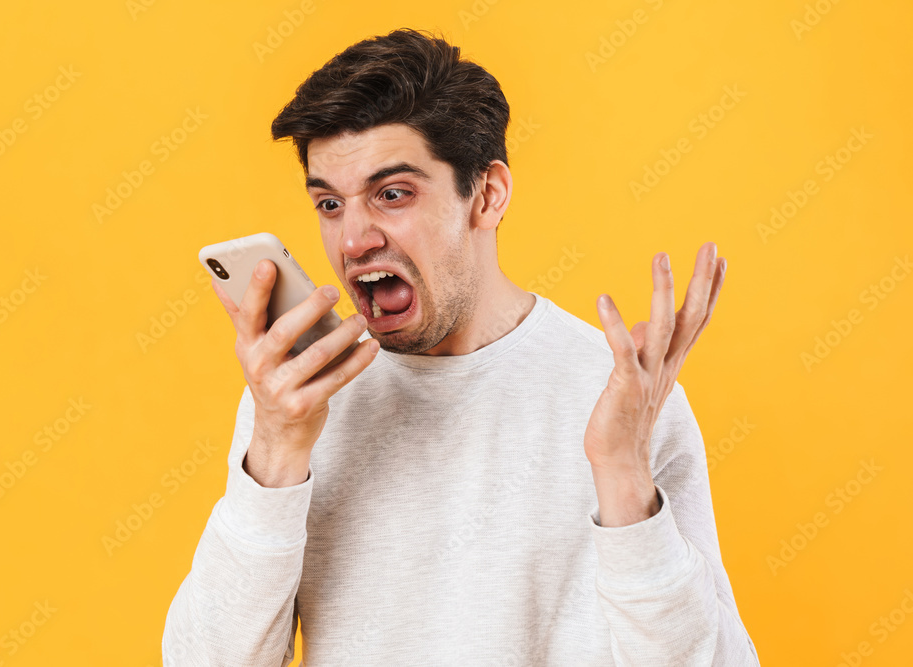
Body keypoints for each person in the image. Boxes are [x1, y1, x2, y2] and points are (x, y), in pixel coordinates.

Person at [162, 27, 761, 666]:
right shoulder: (295, 398)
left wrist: (622, 478)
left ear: (487, 194)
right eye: (331, 203)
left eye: (392, 194)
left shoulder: (624, 397)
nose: (354, 240)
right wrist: (277, 452)